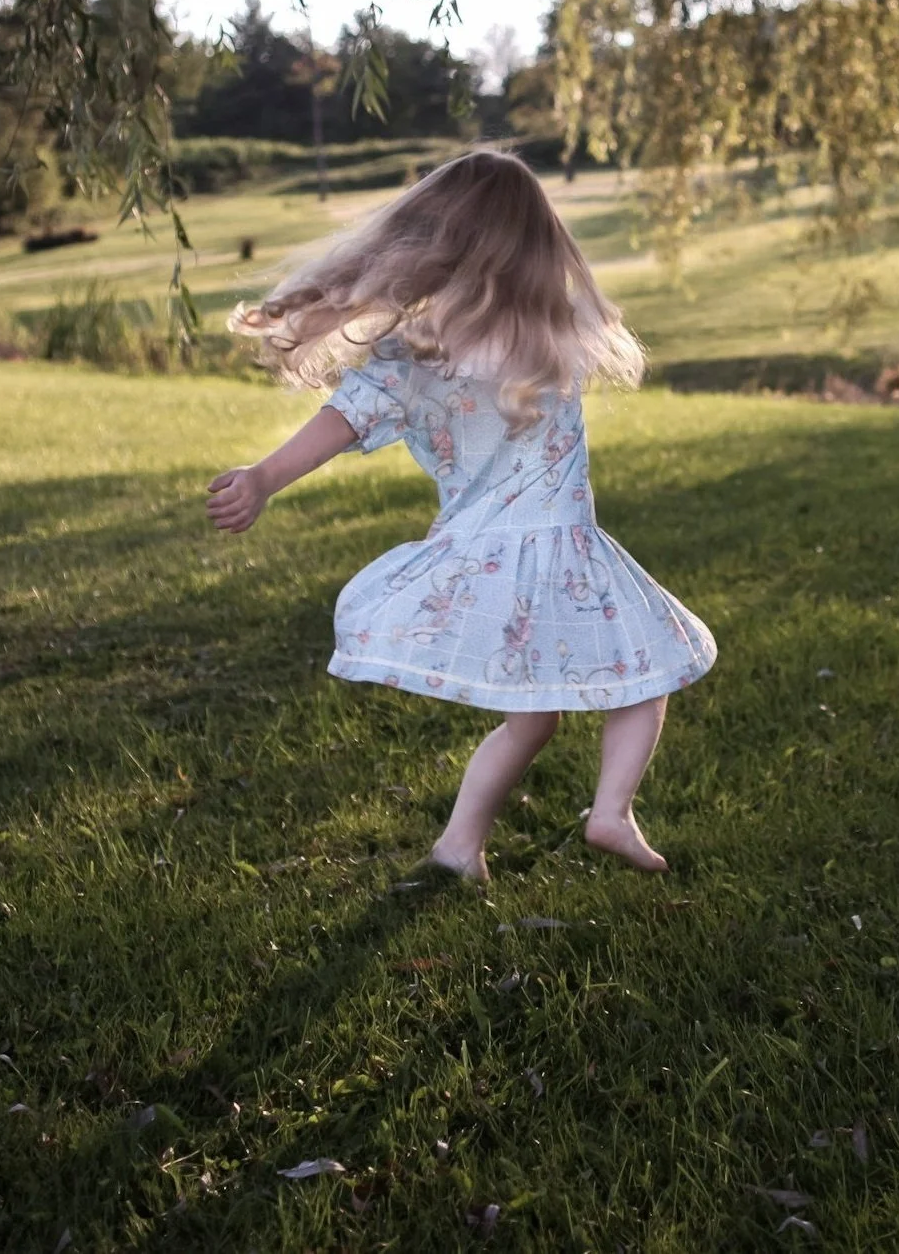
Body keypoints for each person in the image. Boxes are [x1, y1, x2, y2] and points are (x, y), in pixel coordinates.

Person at [205, 150, 715, 878]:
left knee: (531, 717)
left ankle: (459, 845)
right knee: (649, 671)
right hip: (566, 550)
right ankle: (610, 811)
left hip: (479, 555)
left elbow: (341, 421)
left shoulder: (415, 356)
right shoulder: (558, 334)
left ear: (429, 246)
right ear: (538, 244)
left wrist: (263, 477)